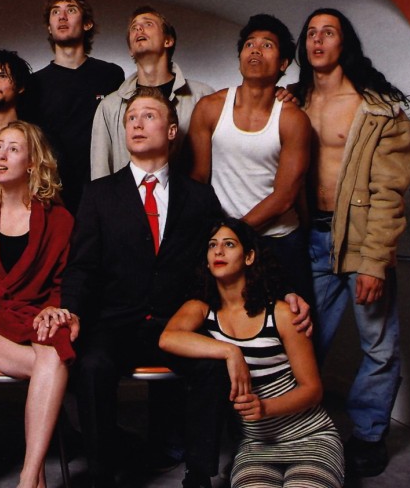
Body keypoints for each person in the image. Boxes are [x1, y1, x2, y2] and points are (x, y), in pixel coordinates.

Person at [59, 87, 310, 488]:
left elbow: (233, 250)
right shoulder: (98, 194)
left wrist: (284, 293)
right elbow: (81, 266)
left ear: (172, 131)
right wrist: (71, 309)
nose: (137, 124)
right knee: (91, 367)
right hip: (114, 323)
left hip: (175, 324)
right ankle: (101, 474)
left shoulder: (198, 196)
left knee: (212, 367)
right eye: (131, 118)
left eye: (149, 116)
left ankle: (199, 474)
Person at [293, 8, 410, 477]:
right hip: (309, 239)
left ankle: (368, 437)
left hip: (362, 240)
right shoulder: (293, 103)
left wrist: (375, 261)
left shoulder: (379, 108)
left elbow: (389, 192)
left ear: (344, 43)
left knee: (379, 346)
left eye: (328, 32)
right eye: (311, 33)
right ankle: (300, 431)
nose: (318, 40)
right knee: (303, 340)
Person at [160, 218, 344, 488]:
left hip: (310, 439)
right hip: (255, 445)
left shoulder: (281, 313)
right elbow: (168, 338)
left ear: (249, 257)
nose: (218, 251)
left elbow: (313, 390)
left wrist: (266, 407)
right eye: (212, 245)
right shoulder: (200, 308)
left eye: (229, 244)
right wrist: (230, 351)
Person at [0, 120, 75, 488]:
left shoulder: (59, 219)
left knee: (55, 347)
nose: (2, 156)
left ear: (33, 162)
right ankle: (33, 479)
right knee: (56, 361)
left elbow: (62, 282)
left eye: (14, 149)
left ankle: (29, 477)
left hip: (30, 317)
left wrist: (53, 308)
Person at [189, 14, 314, 302]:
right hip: (223, 240)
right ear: (240, 59)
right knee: (222, 322)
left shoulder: (293, 119)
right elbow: (198, 179)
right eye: (249, 44)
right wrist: (220, 237)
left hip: (279, 240)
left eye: (267, 45)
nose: (255, 49)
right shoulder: (210, 108)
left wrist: (234, 233)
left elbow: (284, 197)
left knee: (293, 323)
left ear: (283, 64)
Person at [27, 0, 124, 213]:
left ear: (87, 24)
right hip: (54, 195)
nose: (62, 17)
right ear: (49, 27)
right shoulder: (34, 84)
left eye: (71, 10)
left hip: (103, 188)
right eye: (55, 12)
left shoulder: (110, 75)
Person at [90, 5, 214, 179]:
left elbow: (217, 169)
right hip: (124, 197)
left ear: (168, 41)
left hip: (186, 195)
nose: (139, 29)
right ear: (130, 49)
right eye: (134, 27)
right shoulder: (109, 107)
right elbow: (100, 174)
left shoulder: (202, 97)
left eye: (148, 24)